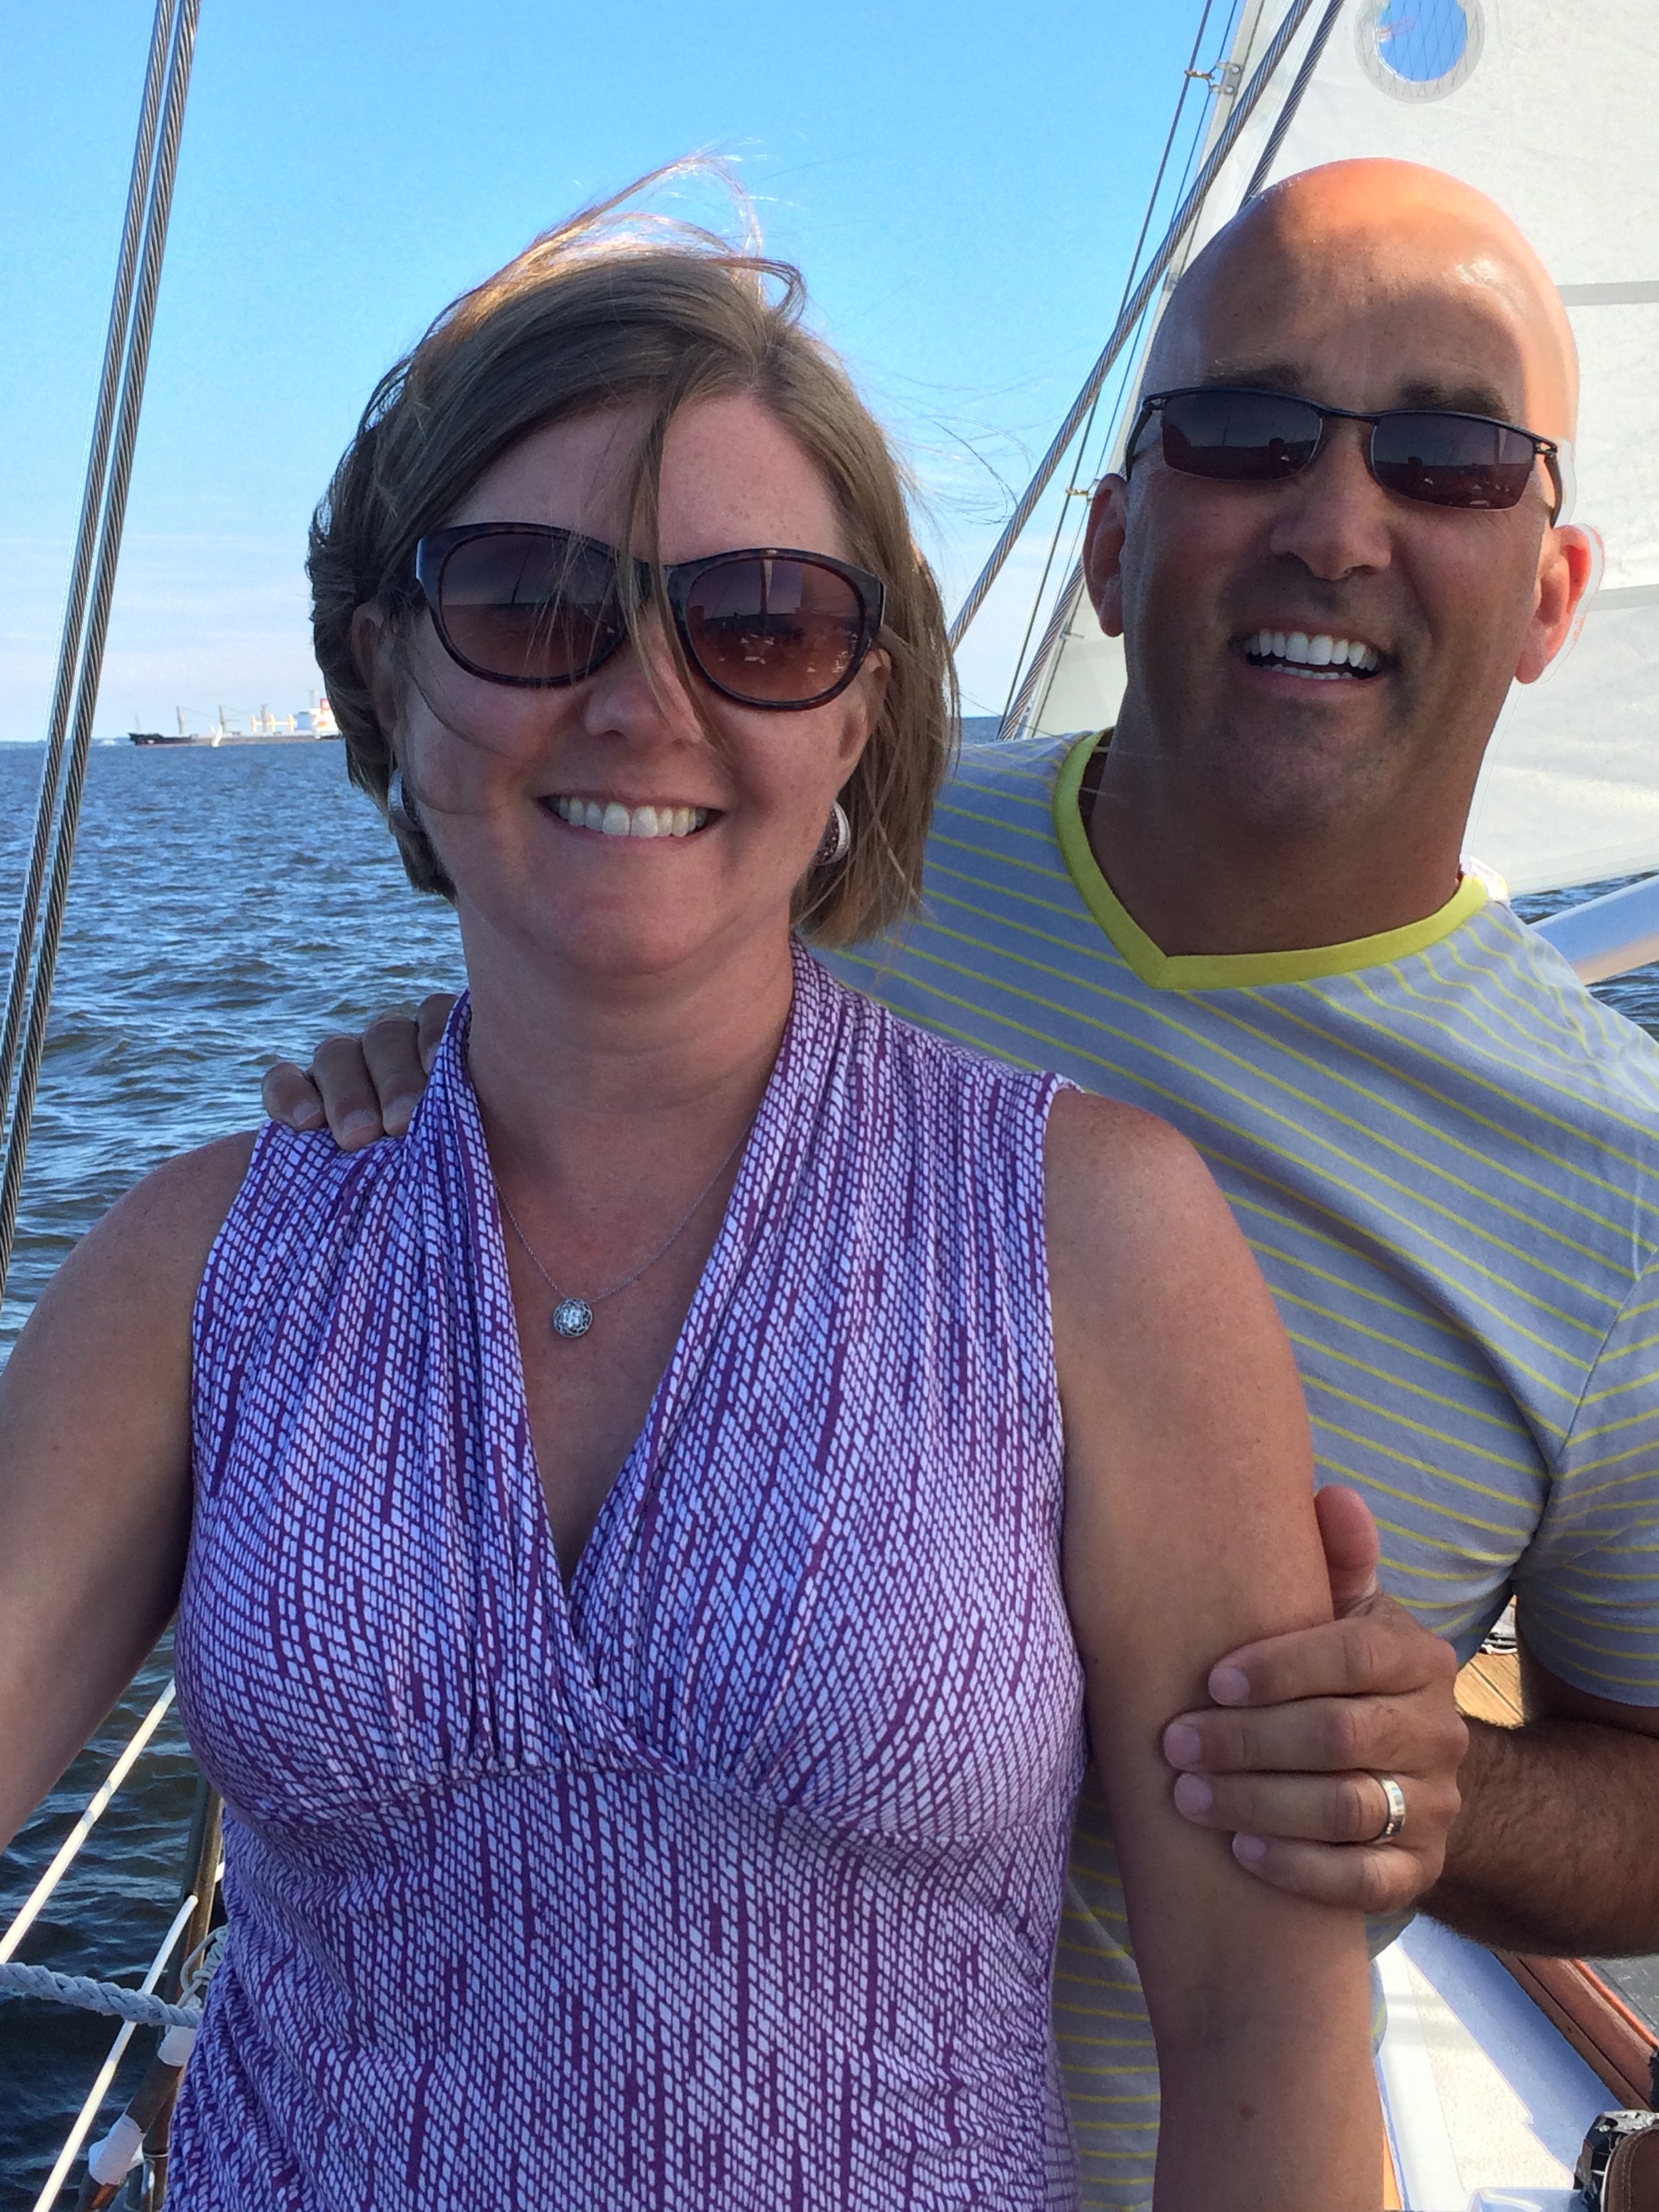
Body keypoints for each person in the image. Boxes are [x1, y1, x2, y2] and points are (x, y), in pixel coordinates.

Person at [279, 157, 1659, 2209]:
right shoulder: (806, 831)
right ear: (1113, 548)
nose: (1335, 522)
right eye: (1245, 437)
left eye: (1453, 460)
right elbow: (587, 898)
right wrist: (425, 1087)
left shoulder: (1619, 1195)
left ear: (1554, 589)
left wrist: (1440, 1790)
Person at [0, 192, 1385, 2209]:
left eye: (760, 623)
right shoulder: (200, 1265)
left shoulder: (1093, 1241)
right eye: (530, 601)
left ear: (861, 713)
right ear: (384, 672)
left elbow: (1261, 2030)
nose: (644, 697)